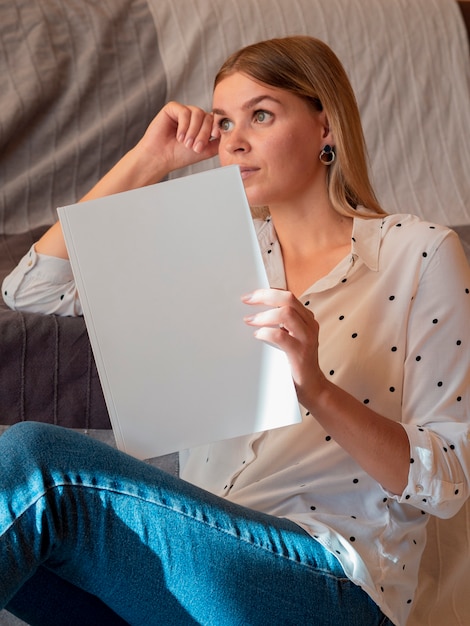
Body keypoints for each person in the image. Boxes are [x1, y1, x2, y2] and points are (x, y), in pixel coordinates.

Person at [1, 35, 470, 626]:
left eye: (262, 115)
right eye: (224, 123)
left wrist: (316, 390)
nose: (235, 141)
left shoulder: (419, 252)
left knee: (34, 458)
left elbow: (448, 481)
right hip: (196, 561)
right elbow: (32, 291)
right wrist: (150, 159)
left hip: (332, 581)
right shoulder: (210, 252)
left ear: (325, 126)